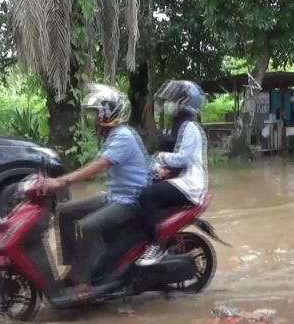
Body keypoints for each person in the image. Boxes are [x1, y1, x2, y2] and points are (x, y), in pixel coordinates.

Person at [41, 83, 151, 298]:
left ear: (108, 113)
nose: (93, 118)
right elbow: (98, 165)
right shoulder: (112, 135)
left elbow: (99, 165)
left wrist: (62, 181)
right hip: (114, 196)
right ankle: (75, 268)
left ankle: (84, 279)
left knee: (88, 226)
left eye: (96, 113)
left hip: (130, 201)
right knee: (64, 210)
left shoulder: (123, 136)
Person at [136, 80, 208, 266]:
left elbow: (184, 158)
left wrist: (161, 157)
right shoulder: (177, 127)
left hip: (189, 184)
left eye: (173, 100)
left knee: (147, 195)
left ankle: (154, 246)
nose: (169, 103)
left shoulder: (190, 128)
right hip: (180, 179)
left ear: (184, 103)